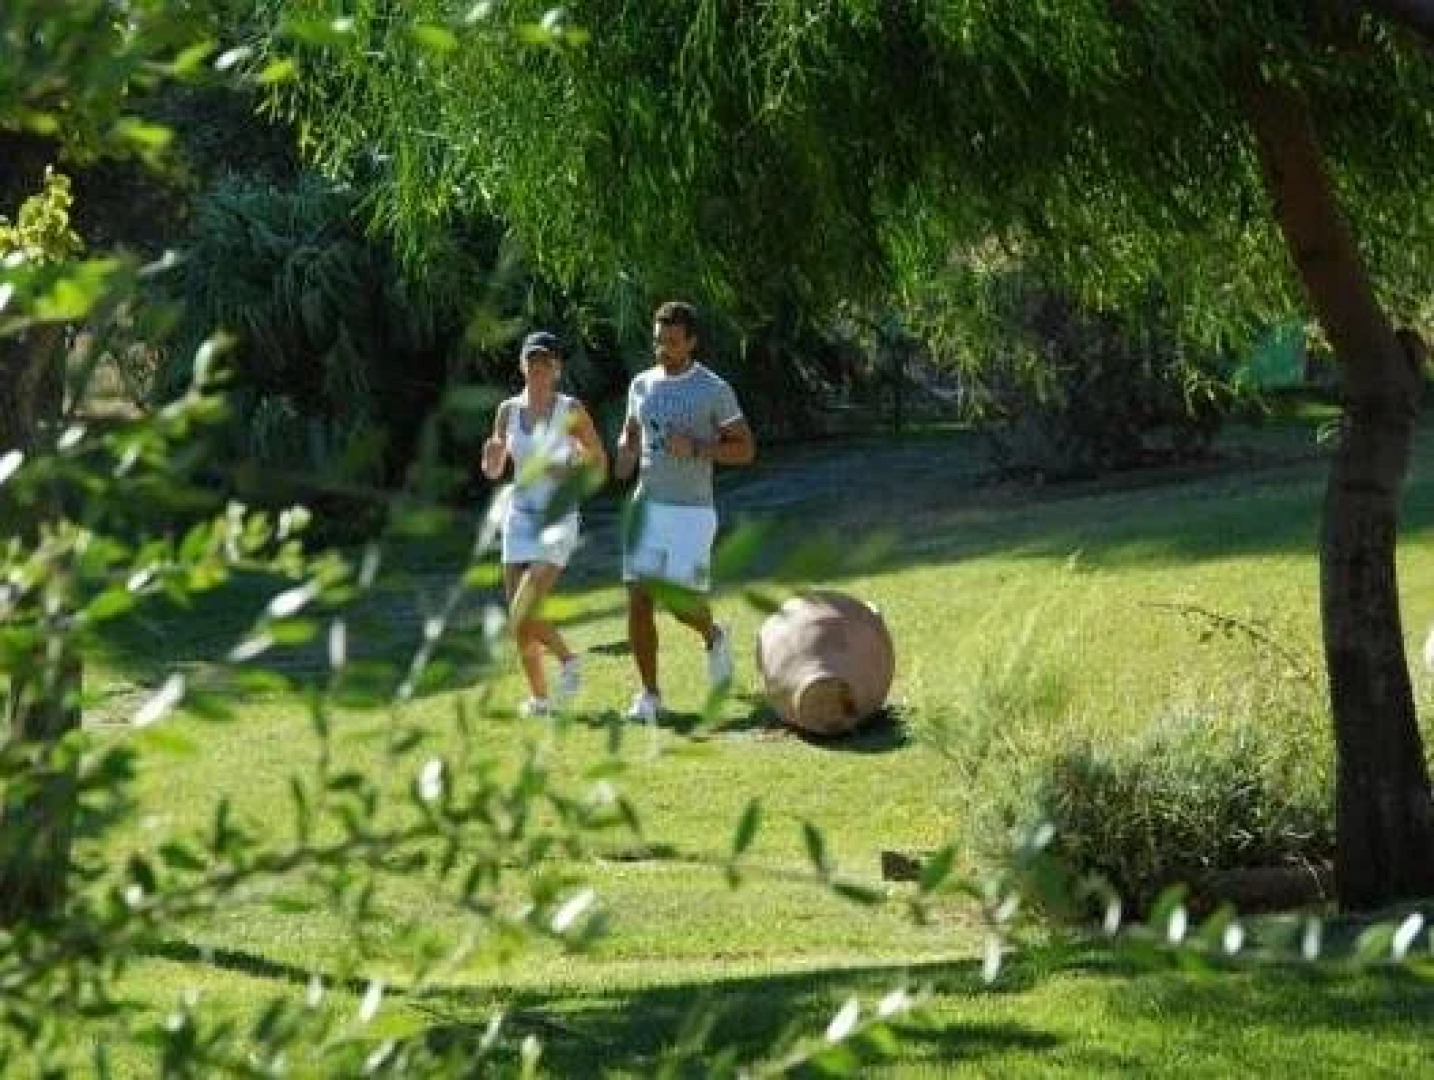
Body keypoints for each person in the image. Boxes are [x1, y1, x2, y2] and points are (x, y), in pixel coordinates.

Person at [614, 301, 756, 722]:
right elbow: (632, 431)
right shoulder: (641, 384)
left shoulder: (713, 389)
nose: (663, 349)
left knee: (678, 604)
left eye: (673, 342)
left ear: (692, 342)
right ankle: (650, 695)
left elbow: (745, 449)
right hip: (646, 506)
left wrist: (696, 447)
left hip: (691, 511)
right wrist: (625, 449)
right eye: (658, 341)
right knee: (639, 596)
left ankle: (713, 634)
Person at [482, 331, 608, 717]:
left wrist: (570, 467)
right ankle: (540, 701)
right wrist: (491, 459)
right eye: (531, 361)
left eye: (545, 362)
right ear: (522, 366)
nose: (538, 368)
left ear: (557, 368)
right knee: (519, 620)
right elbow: (494, 469)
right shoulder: (507, 410)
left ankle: (568, 661)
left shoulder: (571, 409)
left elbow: (599, 462)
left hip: (558, 519)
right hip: (519, 519)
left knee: (524, 609)